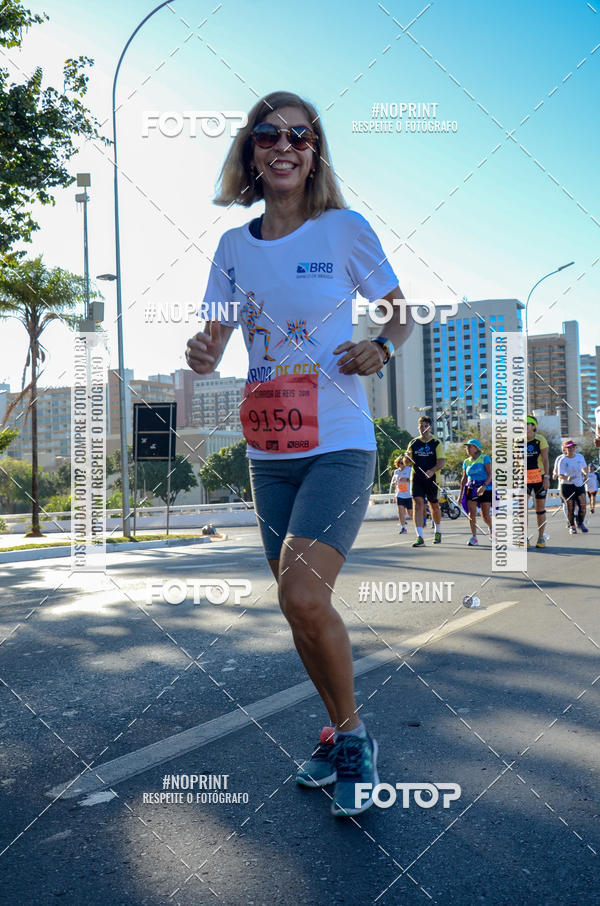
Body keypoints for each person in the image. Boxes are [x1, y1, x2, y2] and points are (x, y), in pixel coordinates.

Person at [185, 91, 412, 818]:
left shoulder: (343, 231)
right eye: (268, 134)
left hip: (339, 443)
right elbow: (211, 345)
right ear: (250, 152)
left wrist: (380, 344)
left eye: (300, 136)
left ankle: (352, 742)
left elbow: (401, 314)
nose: (284, 145)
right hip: (268, 449)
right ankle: (336, 732)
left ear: (314, 153)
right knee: (296, 607)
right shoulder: (231, 248)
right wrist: (198, 352)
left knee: (305, 594)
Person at [406, 415, 445, 547]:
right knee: (417, 504)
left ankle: (438, 531)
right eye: (420, 426)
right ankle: (419, 537)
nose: (422, 429)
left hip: (432, 478)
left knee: (434, 505)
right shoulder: (413, 443)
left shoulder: (436, 442)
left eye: (425, 426)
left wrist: (432, 470)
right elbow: (407, 462)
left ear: (430, 427)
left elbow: (441, 462)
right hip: (417, 478)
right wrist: (407, 457)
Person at [458, 439, 493, 546]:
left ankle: (491, 529)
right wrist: (460, 495)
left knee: (485, 515)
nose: (467, 449)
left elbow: (490, 474)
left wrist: (484, 486)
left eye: (470, 446)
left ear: (476, 448)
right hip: (471, 489)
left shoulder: (484, 458)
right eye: (467, 447)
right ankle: (474, 537)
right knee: (471, 514)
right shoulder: (466, 461)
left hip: (485, 489)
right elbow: (464, 479)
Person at [525, 415, 550, 548]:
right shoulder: (517, 441)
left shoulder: (540, 440)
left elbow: (545, 460)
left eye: (527, 423)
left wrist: (546, 477)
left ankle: (541, 538)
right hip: (524, 479)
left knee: (540, 509)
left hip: (538, 477)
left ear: (533, 426)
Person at [557, 440, 588, 533]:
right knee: (570, 507)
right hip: (566, 486)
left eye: (573, 447)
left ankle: (580, 522)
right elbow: (560, 475)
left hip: (578, 484)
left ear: (575, 448)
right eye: (569, 447)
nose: (571, 449)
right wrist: (567, 477)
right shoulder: (562, 460)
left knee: (583, 505)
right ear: (565, 449)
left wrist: (586, 474)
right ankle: (572, 526)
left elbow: (584, 467)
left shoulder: (580, 457)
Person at [390, 454, 412, 533]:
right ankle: (403, 527)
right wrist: (394, 483)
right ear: (397, 463)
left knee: (410, 513)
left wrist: (406, 479)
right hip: (400, 494)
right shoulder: (396, 472)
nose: (402, 464)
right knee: (400, 511)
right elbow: (393, 483)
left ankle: (420, 522)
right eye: (400, 462)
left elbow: (413, 480)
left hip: (409, 494)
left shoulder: (409, 470)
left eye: (403, 462)